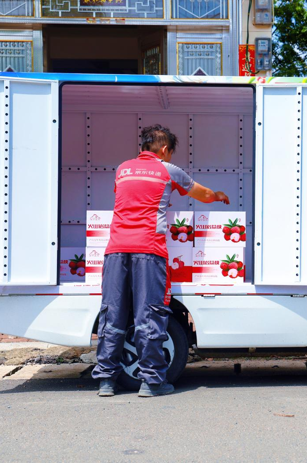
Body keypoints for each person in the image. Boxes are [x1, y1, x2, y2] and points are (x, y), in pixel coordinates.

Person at [92, 124, 230, 397]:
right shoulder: (168, 170)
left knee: (113, 314)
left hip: (115, 250)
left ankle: (106, 380)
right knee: (149, 315)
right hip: (148, 250)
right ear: (164, 150)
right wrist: (217, 196)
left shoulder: (122, 169)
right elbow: (201, 193)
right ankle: (152, 381)